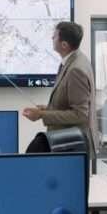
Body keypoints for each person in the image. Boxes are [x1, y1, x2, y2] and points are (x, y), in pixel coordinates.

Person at [22, 21, 97, 159]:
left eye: (55, 36)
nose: (52, 38)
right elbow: (70, 103)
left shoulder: (76, 70)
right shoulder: (74, 60)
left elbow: (80, 115)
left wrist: (42, 115)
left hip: (72, 144)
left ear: (64, 45)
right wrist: (46, 109)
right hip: (68, 141)